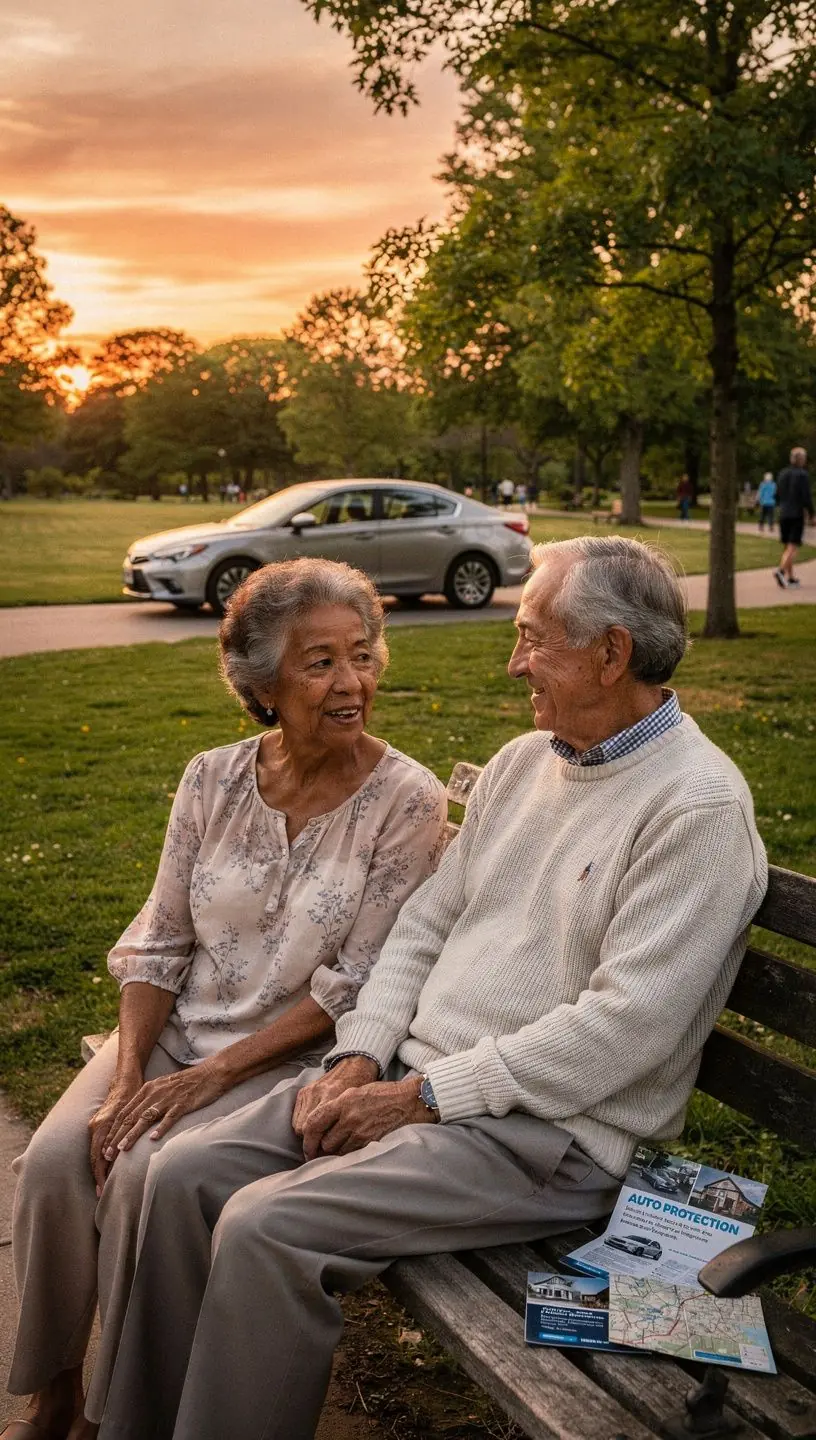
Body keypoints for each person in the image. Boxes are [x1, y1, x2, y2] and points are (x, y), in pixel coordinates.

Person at [96, 536, 767, 1440]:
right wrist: (360, 1053)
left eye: (534, 638)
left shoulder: (697, 809)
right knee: (180, 1173)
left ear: (611, 654)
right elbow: (425, 926)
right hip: (412, 1082)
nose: (512, 661)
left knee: (265, 1228)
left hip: (541, 1134)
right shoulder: (529, 761)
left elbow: (626, 1030)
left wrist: (421, 1096)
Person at [5, 558, 447, 1440]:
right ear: (261, 682)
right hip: (172, 1037)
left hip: (288, 1057)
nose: (351, 681)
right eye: (318, 662)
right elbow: (161, 939)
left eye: (361, 654)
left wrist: (208, 1081)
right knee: (57, 1164)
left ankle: (109, 1411)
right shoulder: (211, 778)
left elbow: (355, 985)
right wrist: (129, 1073)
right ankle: (51, 1391)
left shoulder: (407, 800)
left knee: (140, 1175)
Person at [774, 447, 814, 588]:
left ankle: (790, 578)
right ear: (801, 459)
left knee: (787, 545)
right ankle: (781, 571)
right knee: (793, 545)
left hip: (784, 513)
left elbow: (777, 494)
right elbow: (806, 496)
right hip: (796, 513)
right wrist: (811, 513)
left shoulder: (782, 474)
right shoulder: (802, 475)